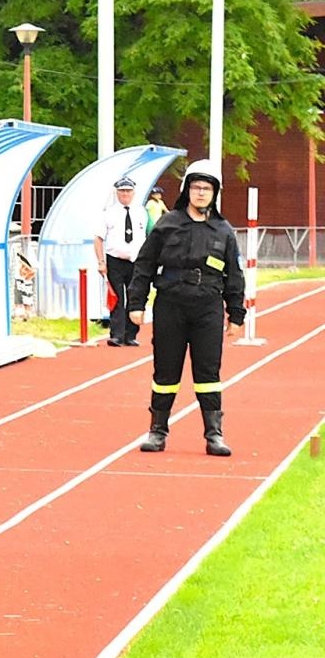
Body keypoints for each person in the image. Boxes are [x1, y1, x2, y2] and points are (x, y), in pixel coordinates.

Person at [126, 158, 245, 456]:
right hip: (171, 305)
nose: (201, 193)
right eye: (196, 187)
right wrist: (136, 304)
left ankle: (214, 434)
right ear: (186, 190)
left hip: (207, 308)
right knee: (165, 372)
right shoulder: (168, 224)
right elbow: (144, 265)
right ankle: (157, 431)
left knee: (208, 373)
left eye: (207, 188)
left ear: (215, 193)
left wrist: (236, 314)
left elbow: (235, 275)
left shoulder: (224, 231)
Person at [94, 175, 149, 346]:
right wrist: (101, 262)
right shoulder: (108, 213)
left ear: (133, 193)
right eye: (122, 191)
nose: (125, 194)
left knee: (135, 296)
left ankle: (130, 335)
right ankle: (116, 334)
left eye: (128, 191)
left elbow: (146, 237)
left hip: (136, 261)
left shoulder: (141, 212)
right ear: (117, 193)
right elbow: (98, 238)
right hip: (115, 260)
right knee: (117, 298)